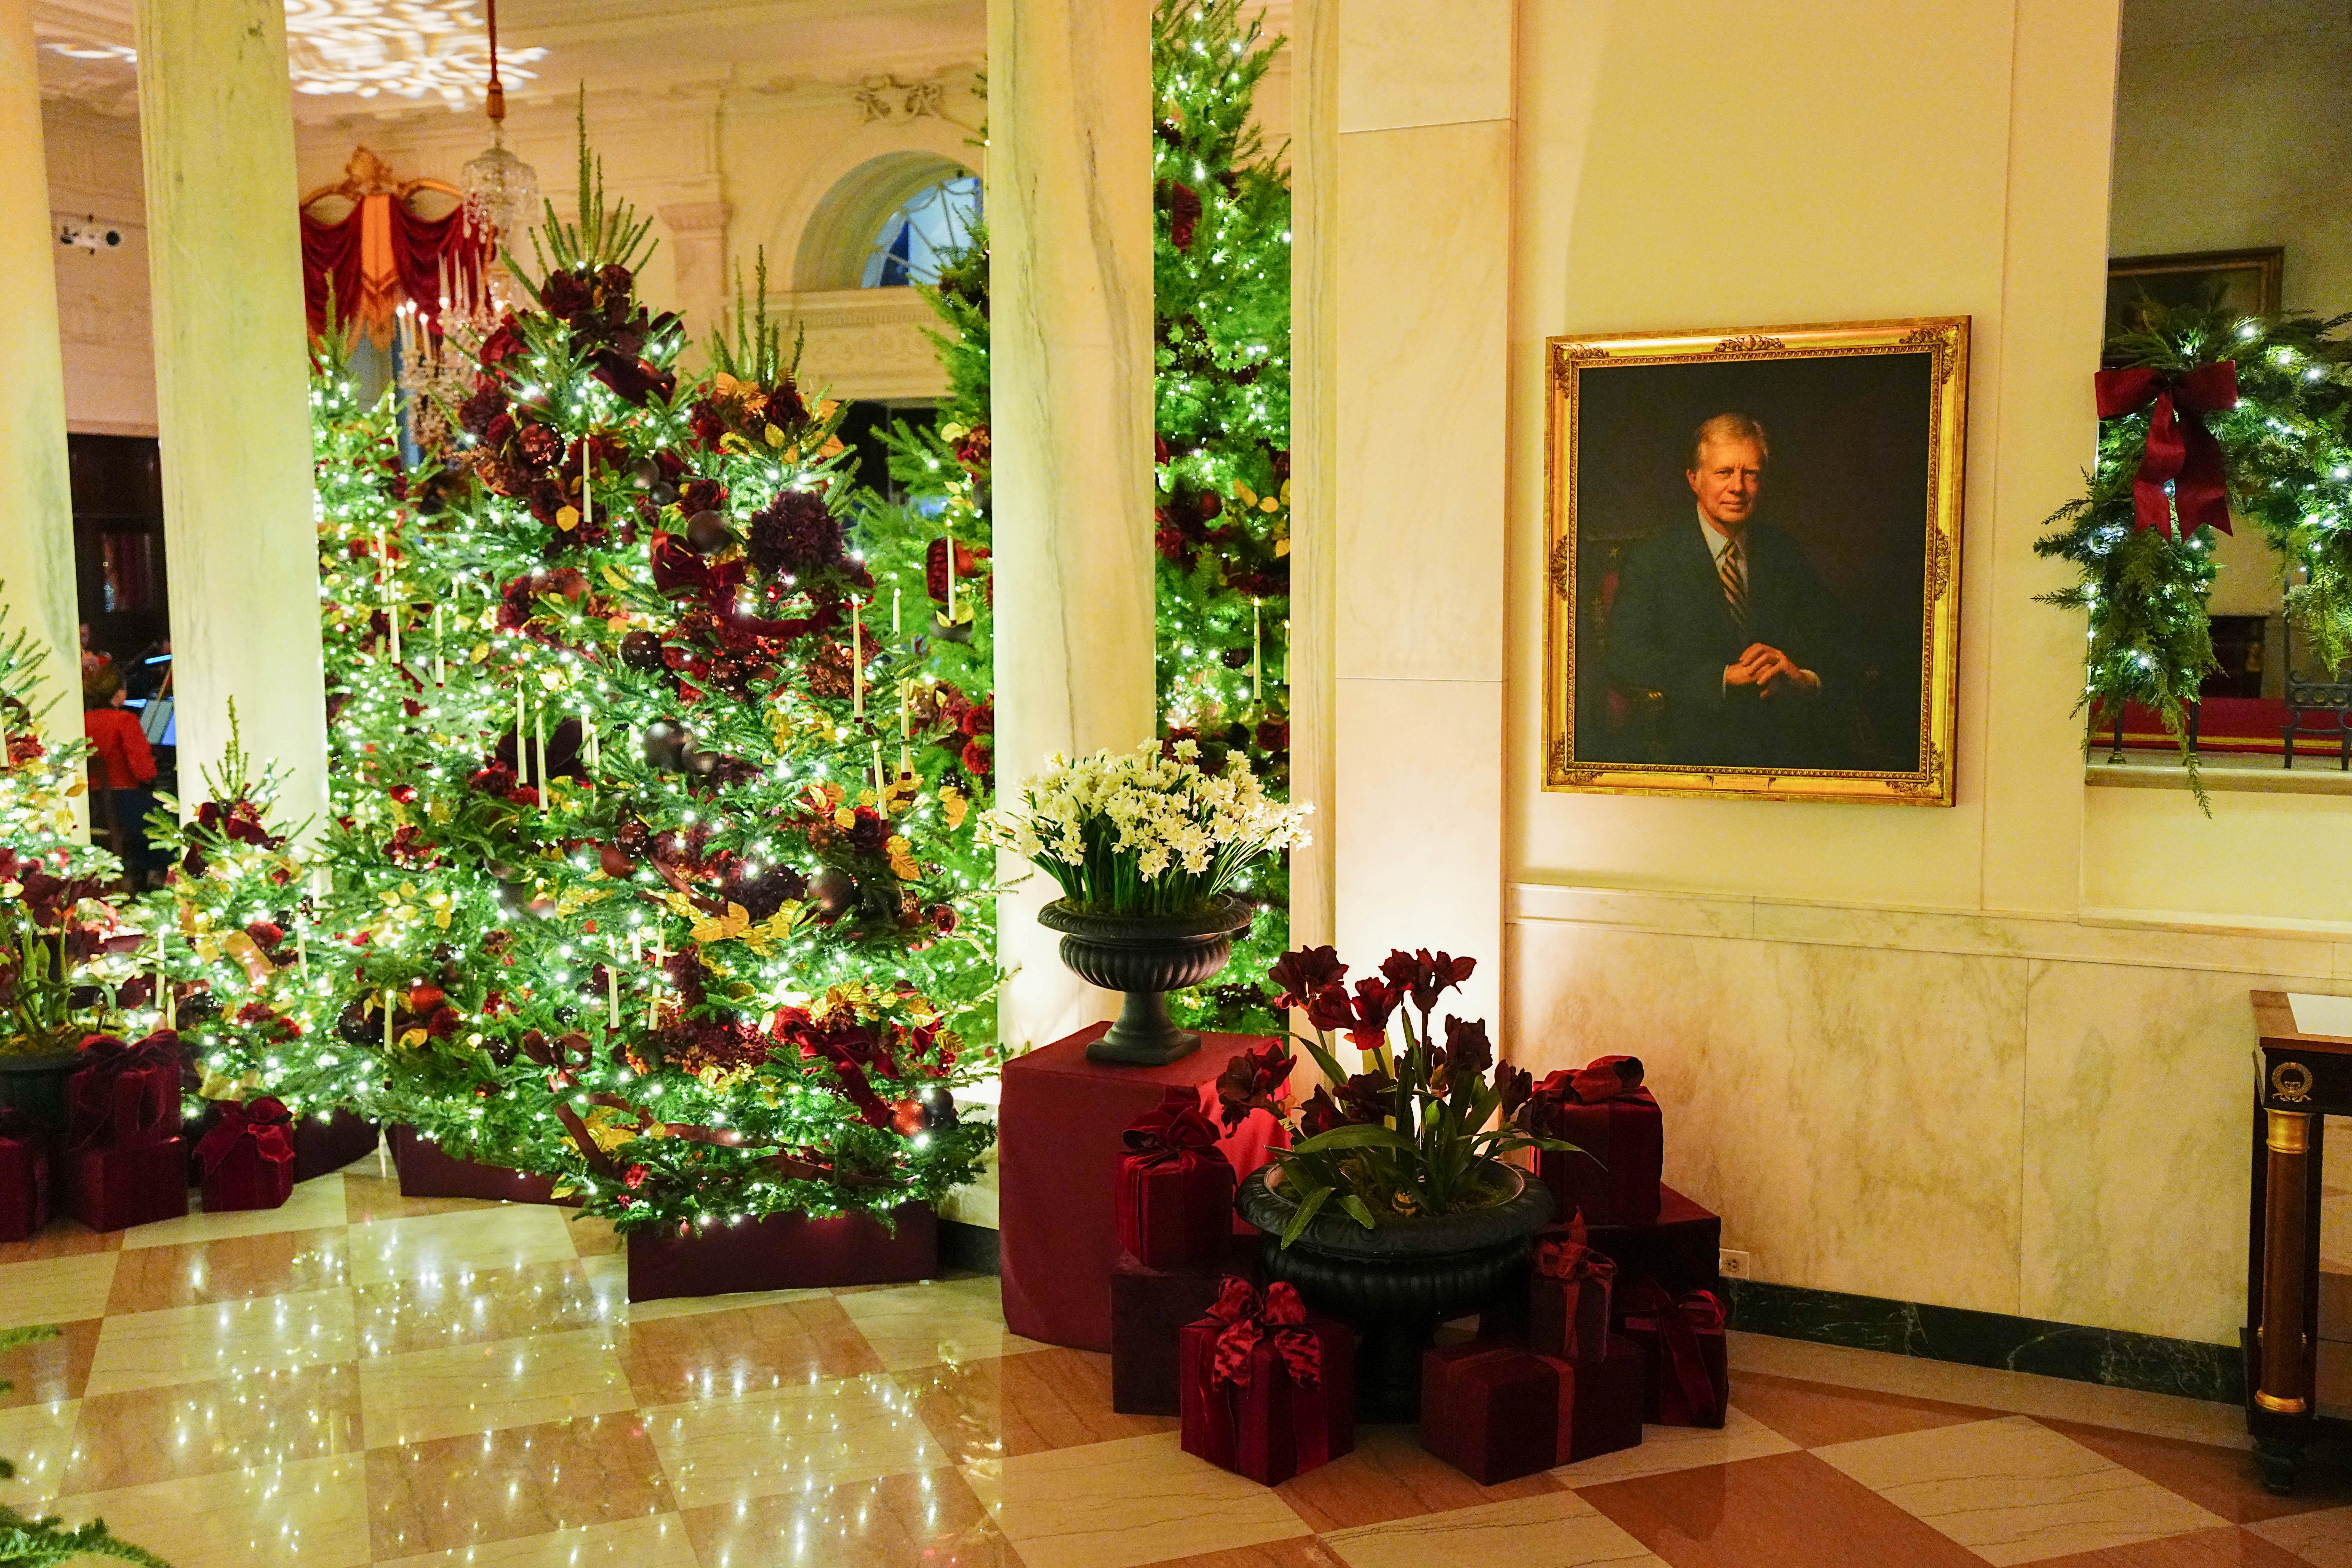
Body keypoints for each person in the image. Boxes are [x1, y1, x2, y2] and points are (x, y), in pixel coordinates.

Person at [1605, 412, 1852, 769]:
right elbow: (1624, 656)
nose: (1738, 487)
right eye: (1724, 473)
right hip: (1688, 741)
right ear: (1694, 479)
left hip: (1783, 734)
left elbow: (1840, 639)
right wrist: (1722, 677)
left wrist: (1802, 679)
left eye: (1750, 474)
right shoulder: (1653, 557)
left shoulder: (1781, 551)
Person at [82, 665, 163, 886]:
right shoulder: (125, 721)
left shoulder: (82, 720)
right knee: (167, 820)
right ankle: (156, 878)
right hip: (124, 805)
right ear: (120, 692)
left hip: (90, 805)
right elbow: (145, 773)